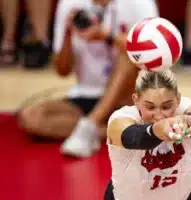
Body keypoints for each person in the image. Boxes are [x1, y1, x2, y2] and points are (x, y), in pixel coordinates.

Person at [18, 0, 159, 157]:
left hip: (127, 95)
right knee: (31, 118)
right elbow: (62, 71)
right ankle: (113, 130)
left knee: (129, 52)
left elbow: (152, 52)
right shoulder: (69, 4)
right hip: (85, 94)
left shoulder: (141, 3)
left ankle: (89, 125)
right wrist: (67, 34)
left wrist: (107, 36)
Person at [104, 69, 191, 200]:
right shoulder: (122, 118)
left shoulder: (185, 109)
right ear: (136, 99)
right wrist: (156, 130)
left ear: (178, 99)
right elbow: (132, 137)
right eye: (150, 107)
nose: (159, 116)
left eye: (166, 107)